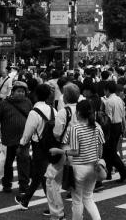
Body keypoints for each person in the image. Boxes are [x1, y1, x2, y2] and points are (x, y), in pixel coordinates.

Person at [49, 100, 104, 220]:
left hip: (79, 168)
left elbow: (75, 152)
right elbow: (100, 151)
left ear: (78, 112)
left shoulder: (75, 128)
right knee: (88, 198)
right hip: (94, 167)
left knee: (77, 200)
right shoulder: (97, 127)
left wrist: (58, 151)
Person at [15, 83, 55, 210]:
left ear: (36, 95)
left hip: (38, 146)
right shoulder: (53, 110)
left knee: (42, 176)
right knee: (39, 175)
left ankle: (54, 207)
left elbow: (28, 132)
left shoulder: (34, 112)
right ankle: (25, 200)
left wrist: (21, 145)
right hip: (51, 146)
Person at [46, 83, 80, 220]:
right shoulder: (82, 109)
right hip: (79, 150)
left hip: (64, 149)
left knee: (51, 179)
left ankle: (57, 213)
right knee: (77, 185)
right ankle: (78, 215)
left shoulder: (63, 112)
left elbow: (57, 133)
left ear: (65, 96)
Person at [0, 81, 32, 194]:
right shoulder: (4, 103)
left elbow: (32, 119)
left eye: (23, 92)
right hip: (8, 138)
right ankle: (7, 184)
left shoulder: (28, 103)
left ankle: (24, 185)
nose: (20, 93)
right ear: (13, 92)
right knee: (7, 162)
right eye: (18, 91)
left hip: (24, 139)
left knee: (24, 161)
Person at [102, 81, 126, 182]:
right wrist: (124, 128)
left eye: (105, 90)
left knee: (111, 152)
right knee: (110, 151)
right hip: (118, 126)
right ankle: (108, 173)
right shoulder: (119, 100)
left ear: (107, 90)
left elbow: (108, 118)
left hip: (111, 127)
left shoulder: (109, 101)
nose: (104, 92)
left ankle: (124, 172)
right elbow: (123, 115)